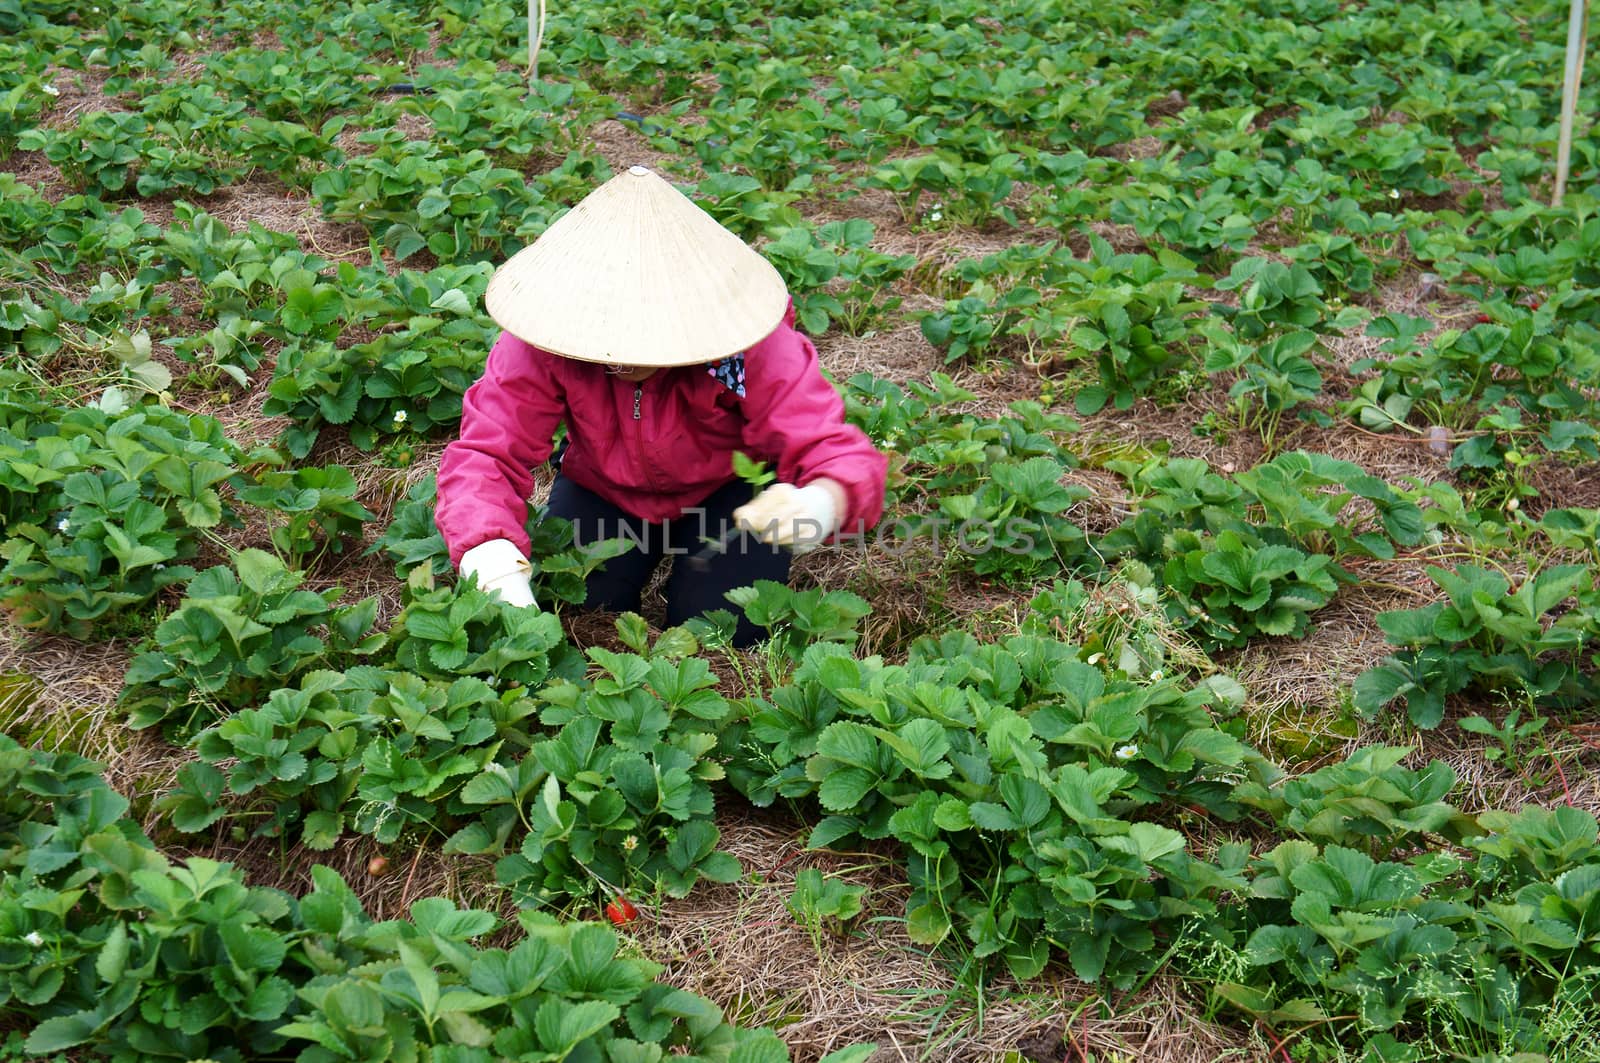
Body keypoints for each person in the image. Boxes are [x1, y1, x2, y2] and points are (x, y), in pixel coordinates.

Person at [434, 165, 888, 647]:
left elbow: (835, 449)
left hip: (730, 497)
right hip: (603, 489)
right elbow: (486, 453)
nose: (620, 357)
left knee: (722, 632)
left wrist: (819, 502)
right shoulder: (543, 342)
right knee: (579, 611)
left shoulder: (749, 343)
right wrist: (491, 558)